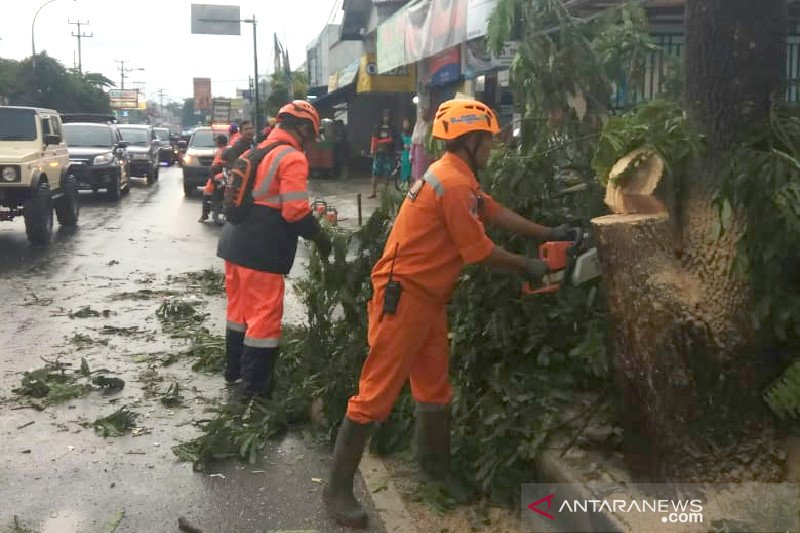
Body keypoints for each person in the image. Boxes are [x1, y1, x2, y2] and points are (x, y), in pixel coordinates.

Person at [323, 99, 575, 529]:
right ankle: (336, 488)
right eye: (489, 142)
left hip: (428, 299)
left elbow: (493, 212)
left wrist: (547, 233)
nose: (493, 149)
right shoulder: (452, 183)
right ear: (472, 141)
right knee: (375, 394)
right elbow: (478, 252)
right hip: (403, 298)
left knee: (435, 388)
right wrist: (528, 265)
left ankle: (434, 468)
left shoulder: (456, 176)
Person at [217, 100, 332, 397]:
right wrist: (319, 236)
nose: (310, 143)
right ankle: (255, 389)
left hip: (234, 243)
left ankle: (235, 373)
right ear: (303, 129)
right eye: (311, 135)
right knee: (264, 319)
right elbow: (295, 211)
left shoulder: (256, 150)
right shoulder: (291, 157)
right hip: (261, 249)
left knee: (238, 312)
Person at [368, 108, 398, 198]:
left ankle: (385, 192)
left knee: (387, 173)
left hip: (389, 153)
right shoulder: (378, 126)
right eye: (385, 116)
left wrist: (381, 142)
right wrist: (372, 150)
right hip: (379, 153)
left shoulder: (393, 127)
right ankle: (373, 192)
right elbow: (374, 139)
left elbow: (393, 139)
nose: (386, 118)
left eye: (388, 116)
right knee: (375, 173)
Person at [198, 134, 229, 222]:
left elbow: (220, 165)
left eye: (216, 140)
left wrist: (213, 174)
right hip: (218, 175)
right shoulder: (221, 150)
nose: (215, 142)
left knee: (207, 193)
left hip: (219, 176)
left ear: (219, 142)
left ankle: (205, 215)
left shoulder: (223, 151)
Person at [410, 104, 432, 181]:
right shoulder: (418, 125)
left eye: (424, 112)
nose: (423, 114)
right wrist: (411, 153)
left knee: (426, 173)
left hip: (427, 152)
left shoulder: (430, 125)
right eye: (422, 112)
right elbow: (413, 141)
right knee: (417, 173)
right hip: (417, 152)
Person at [400, 117, 412, 186]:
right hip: (404, 154)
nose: (406, 125)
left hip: (411, 153)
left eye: (407, 123)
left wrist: (410, 147)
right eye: (404, 123)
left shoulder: (412, 133)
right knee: (403, 168)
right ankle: (403, 184)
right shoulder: (402, 133)